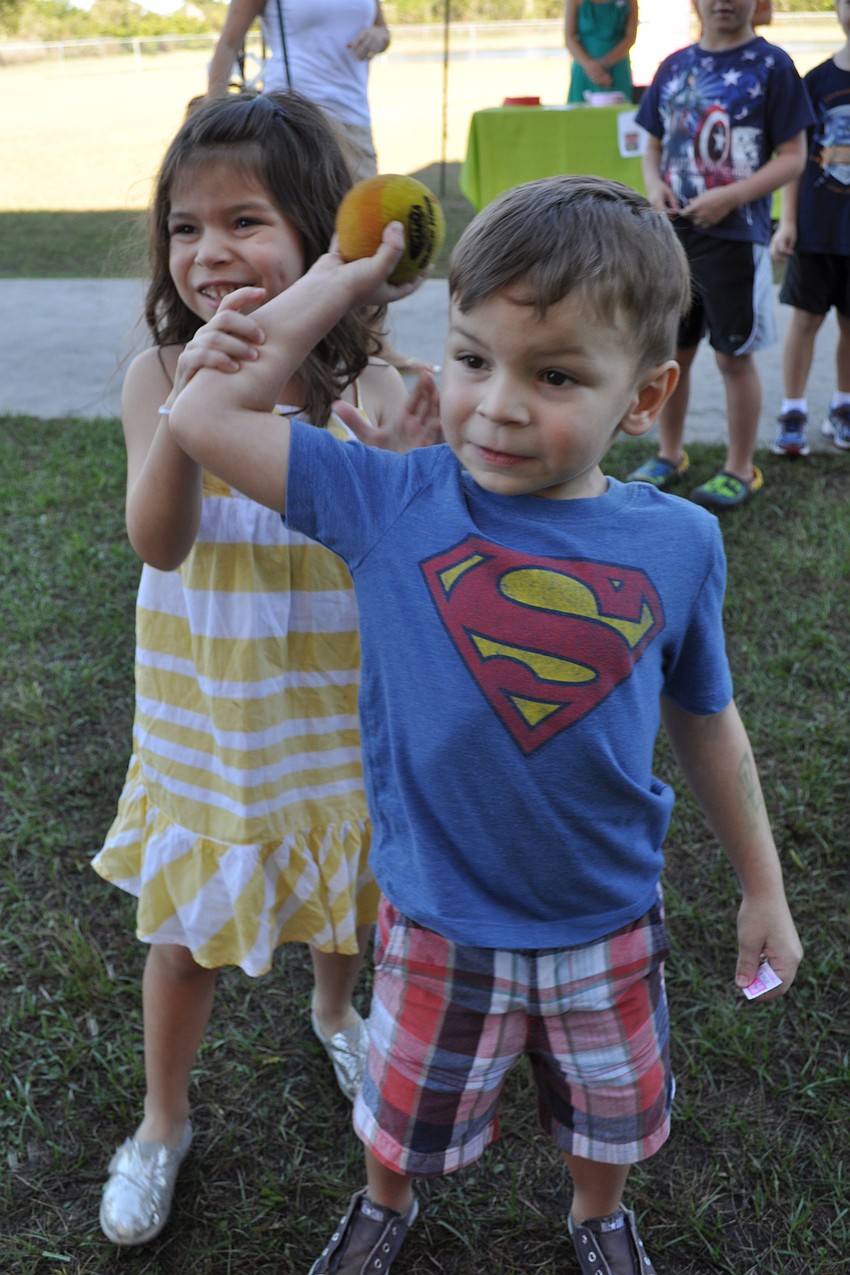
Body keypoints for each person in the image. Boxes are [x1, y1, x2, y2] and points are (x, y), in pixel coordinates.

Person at [167, 174, 803, 1275]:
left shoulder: (681, 546)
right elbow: (202, 415)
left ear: (644, 397)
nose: (498, 403)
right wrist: (350, 274)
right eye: (471, 357)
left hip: (603, 915)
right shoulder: (392, 500)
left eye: (553, 373)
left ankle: (595, 1215)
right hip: (435, 918)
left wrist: (763, 884)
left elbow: (706, 719)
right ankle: (384, 1204)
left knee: (606, 1115)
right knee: (401, 1111)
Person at [92, 89, 439, 1248]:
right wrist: (196, 402)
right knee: (183, 937)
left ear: (315, 232)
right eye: (185, 227)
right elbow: (160, 539)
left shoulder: (377, 387)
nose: (208, 251)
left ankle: (335, 1014)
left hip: (338, 703)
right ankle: (161, 1120)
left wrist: (406, 473)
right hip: (214, 711)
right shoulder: (160, 373)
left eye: (243, 220)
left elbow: (420, 549)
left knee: (347, 893)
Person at [627, 0, 814, 509]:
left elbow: (794, 157)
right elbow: (652, 145)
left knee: (733, 358)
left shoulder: (772, 66)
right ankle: (669, 454)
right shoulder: (674, 66)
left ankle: (739, 467)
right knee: (671, 355)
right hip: (674, 240)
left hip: (735, 241)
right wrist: (653, 187)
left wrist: (731, 197)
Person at [207, 1, 435, 379]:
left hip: (354, 118)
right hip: (296, 122)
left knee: (369, 236)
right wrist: (211, 127)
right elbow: (229, 43)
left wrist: (379, 37)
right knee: (306, 237)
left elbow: (382, 29)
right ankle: (297, 347)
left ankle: (376, 349)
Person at [770, 0, 850, 457]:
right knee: (804, 320)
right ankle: (793, 410)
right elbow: (795, 160)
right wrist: (790, 222)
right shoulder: (816, 82)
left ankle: (843, 406)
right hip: (817, 230)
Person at [565, 0, 638, 105]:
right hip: (585, 67)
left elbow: (630, 37)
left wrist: (605, 63)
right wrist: (591, 67)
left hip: (617, 68)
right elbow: (569, 38)